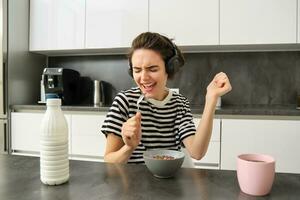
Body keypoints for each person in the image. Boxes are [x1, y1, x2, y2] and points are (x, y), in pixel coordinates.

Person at [101, 32, 232, 164]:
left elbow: (197, 152)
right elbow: (109, 160)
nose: (143, 77)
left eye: (152, 69)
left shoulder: (179, 103)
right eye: (137, 70)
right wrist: (129, 147)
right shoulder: (124, 102)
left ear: (169, 68)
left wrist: (211, 99)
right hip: (134, 183)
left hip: (169, 183)